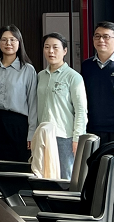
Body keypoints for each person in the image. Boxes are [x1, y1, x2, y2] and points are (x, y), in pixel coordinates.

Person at [37, 33, 87, 180]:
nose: (51, 51)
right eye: (47, 47)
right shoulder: (40, 76)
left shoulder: (73, 77)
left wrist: (77, 138)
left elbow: (81, 111)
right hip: (44, 135)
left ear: (65, 51)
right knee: (45, 177)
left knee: (66, 178)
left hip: (64, 137)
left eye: (55, 47)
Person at [0, 25, 37, 165]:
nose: (8, 43)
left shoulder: (28, 70)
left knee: (17, 166)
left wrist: (32, 134)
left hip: (18, 126)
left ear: (19, 43)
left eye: (13, 39)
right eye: (4, 40)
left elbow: (33, 104)